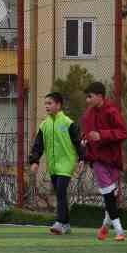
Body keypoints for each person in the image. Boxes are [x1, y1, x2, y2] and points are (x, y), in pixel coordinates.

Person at [27, 91, 85, 235]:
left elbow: (78, 142)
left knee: (60, 191)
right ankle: (66, 224)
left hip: (67, 163)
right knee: (60, 193)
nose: (47, 106)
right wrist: (34, 161)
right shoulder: (44, 125)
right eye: (45, 103)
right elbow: (38, 145)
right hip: (53, 165)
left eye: (50, 103)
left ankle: (59, 222)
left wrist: (82, 158)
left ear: (58, 105)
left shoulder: (67, 123)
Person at [79, 81, 127, 242]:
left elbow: (123, 133)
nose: (87, 100)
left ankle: (104, 227)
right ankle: (119, 231)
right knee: (108, 194)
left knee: (111, 197)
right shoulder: (87, 115)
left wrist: (102, 135)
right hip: (98, 160)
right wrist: (84, 146)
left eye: (90, 96)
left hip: (113, 160)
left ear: (100, 96)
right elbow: (85, 135)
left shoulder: (112, 111)